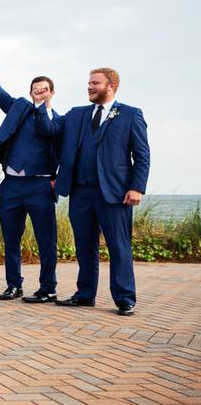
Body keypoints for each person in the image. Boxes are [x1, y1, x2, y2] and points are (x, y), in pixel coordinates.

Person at [40, 67, 149, 316]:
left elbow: (142, 155)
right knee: (84, 247)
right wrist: (45, 102)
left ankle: (124, 298)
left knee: (119, 246)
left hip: (114, 193)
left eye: (95, 83)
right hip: (80, 192)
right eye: (88, 83)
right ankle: (85, 294)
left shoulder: (131, 115)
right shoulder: (77, 114)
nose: (89, 87)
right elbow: (50, 129)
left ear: (111, 86)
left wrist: (136, 187)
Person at [0, 43, 60, 303]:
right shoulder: (17, 108)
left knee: (46, 240)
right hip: (11, 185)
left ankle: (48, 287)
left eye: (44, 90)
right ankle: (14, 285)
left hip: (40, 186)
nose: (39, 93)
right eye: (35, 90)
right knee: (10, 238)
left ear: (51, 93)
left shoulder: (58, 120)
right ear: (30, 92)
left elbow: (57, 143)